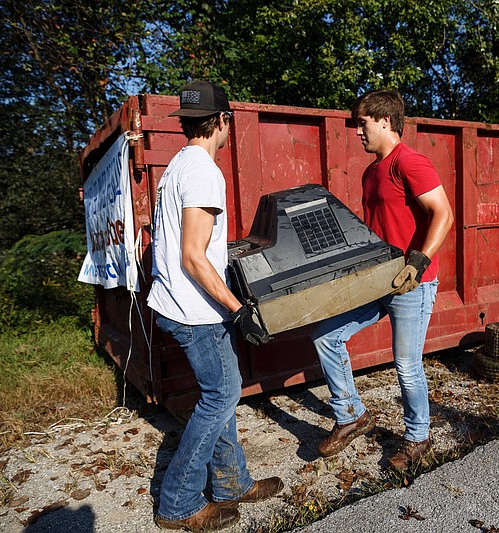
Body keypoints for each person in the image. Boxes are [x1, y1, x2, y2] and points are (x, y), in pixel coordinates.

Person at [147, 80, 283, 531]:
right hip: (195, 309)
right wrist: (239, 309)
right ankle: (179, 503)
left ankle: (230, 483)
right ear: (224, 120)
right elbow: (192, 253)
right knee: (221, 395)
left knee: (221, 391)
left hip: (181, 302)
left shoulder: (176, 165)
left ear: (186, 123)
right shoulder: (204, 170)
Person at [311, 89, 454, 471]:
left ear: (386, 121)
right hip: (378, 280)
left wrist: (419, 261)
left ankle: (418, 436)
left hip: (412, 282)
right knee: (326, 335)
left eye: (363, 123)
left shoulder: (409, 162)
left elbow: (443, 213)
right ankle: (351, 415)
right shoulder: (371, 171)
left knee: (406, 366)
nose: (358, 131)